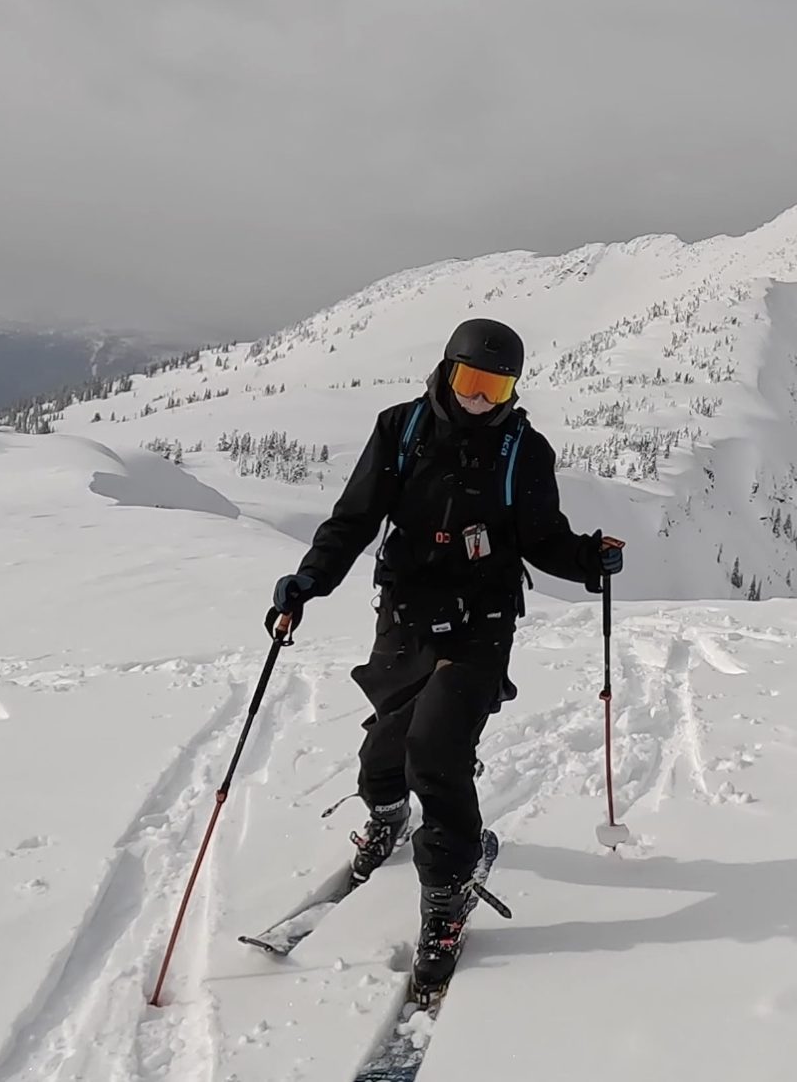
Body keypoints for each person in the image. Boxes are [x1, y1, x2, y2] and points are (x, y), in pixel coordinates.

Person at [267, 317, 623, 982]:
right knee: (384, 750)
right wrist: (307, 582)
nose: (480, 399)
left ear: (513, 389)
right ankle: (387, 814)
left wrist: (586, 559)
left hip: (483, 622)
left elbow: (542, 537)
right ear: (447, 371)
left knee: (436, 748)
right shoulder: (399, 429)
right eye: (470, 381)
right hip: (406, 610)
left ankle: (445, 895)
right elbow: (354, 519)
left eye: (495, 386)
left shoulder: (524, 451)